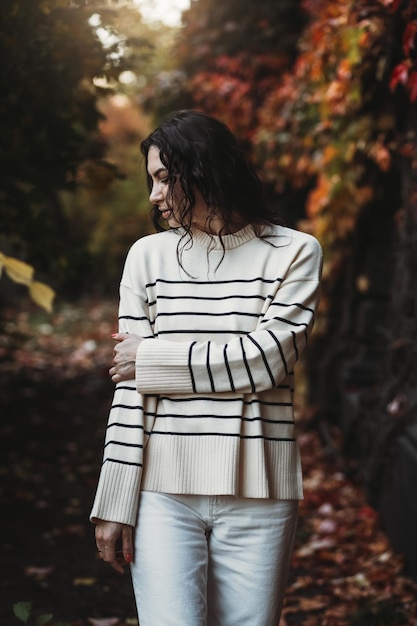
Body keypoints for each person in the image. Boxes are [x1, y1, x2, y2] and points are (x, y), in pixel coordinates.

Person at [91, 110, 322, 626]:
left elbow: (269, 360)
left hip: (260, 491)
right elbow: (130, 392)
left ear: (206, 170)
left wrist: (151, 359)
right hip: (161, 493)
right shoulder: (146, 258)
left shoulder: (294, 253)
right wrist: (115, 497)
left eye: (164, 178)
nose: (153, 195)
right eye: (151, 180)